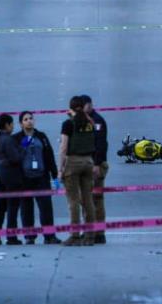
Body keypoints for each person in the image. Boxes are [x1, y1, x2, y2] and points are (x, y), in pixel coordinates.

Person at [13, 111, 62, 245]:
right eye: (25, 119)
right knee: (26, 208)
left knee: (46, 206)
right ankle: (29, 236)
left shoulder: (42, 137)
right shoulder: (16, 138)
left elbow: (49, 156)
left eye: (31, 118)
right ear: (21, 123)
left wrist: (55, 176)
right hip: (25, 178)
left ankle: (49, 235)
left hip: (41, 177)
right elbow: (14, 157)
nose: (29, 121)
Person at [59, 96, 97, 247]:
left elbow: (63, 148)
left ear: (71, 108)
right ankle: (90, 235)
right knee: (88, 200)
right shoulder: (89, 122)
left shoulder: (68, 124)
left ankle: (74, 235)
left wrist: (60, 169)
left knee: (73, 201)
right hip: (88, 161)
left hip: (73, 162)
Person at [0, 114, 25, 246]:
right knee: (13, 205)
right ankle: (11, 237)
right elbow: (15, 158)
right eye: (12, 124)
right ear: (6, 125)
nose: (13, 127)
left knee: (0, 205)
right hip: (11, 174)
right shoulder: (7, 140)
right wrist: (23, 148)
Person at [81, 95, 109, 245]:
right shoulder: (82, 120)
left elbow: (100, 144)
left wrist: (97, 164)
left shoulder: (97, 121)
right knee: (86, 200)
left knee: (96, 200)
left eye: (84, 105)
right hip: (85, 164)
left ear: (90, 105)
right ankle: (90, 230)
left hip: (95, 164)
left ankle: (98, 232)